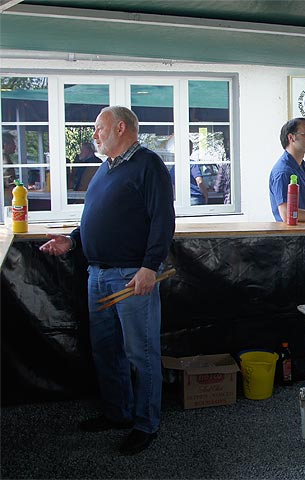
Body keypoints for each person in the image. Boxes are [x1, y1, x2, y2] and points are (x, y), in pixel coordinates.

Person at [39, 106, 175, 455]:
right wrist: (72, 240)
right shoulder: (105, 168)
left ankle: (146, 424)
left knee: (140, 354)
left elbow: (163, 219)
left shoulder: (148, 164)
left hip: (132, 275)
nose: (94, 135)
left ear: (120, 127)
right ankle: (118, 414)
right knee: (107, 350)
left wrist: (150, 267)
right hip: (97, 273)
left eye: (98, 128)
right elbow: (93, 218)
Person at [189, 140, 209, 205]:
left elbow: (173, 185)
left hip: (182, 201)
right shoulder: (192, 164)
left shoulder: (175, 166)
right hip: (195, 199)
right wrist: (206, 195)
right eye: (191, 148)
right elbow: (199, 181)